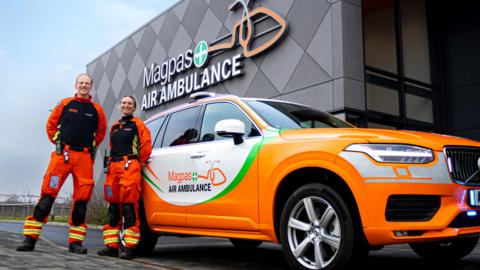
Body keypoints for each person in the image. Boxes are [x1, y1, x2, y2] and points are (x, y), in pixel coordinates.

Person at [16, 73, 107, 254]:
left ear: (91, 87)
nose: (84, 86)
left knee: (81, 201)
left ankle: (76, 243)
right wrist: (58, 141)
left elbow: (101, 132)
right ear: (76, 85)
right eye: (81, 82)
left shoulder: (96, 109)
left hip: (83, 158)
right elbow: (50, 125)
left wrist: (89, 147)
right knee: (47, 197)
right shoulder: (65, 104)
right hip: (62, 155)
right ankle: (30, 239)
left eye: (87, 83)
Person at [97, 95, 152, 260]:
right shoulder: (115, 126)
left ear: (134, 108)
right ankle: (111, 247)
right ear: (120, 106)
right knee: (113, 207)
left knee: (129, 207)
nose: (126, 105)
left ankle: (129, 248)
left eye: (129, 103)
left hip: (129, 166)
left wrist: (139, 162)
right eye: (124, 103)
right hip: (113, 167)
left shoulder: (138, 125)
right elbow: (113, 147)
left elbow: (146, 145)